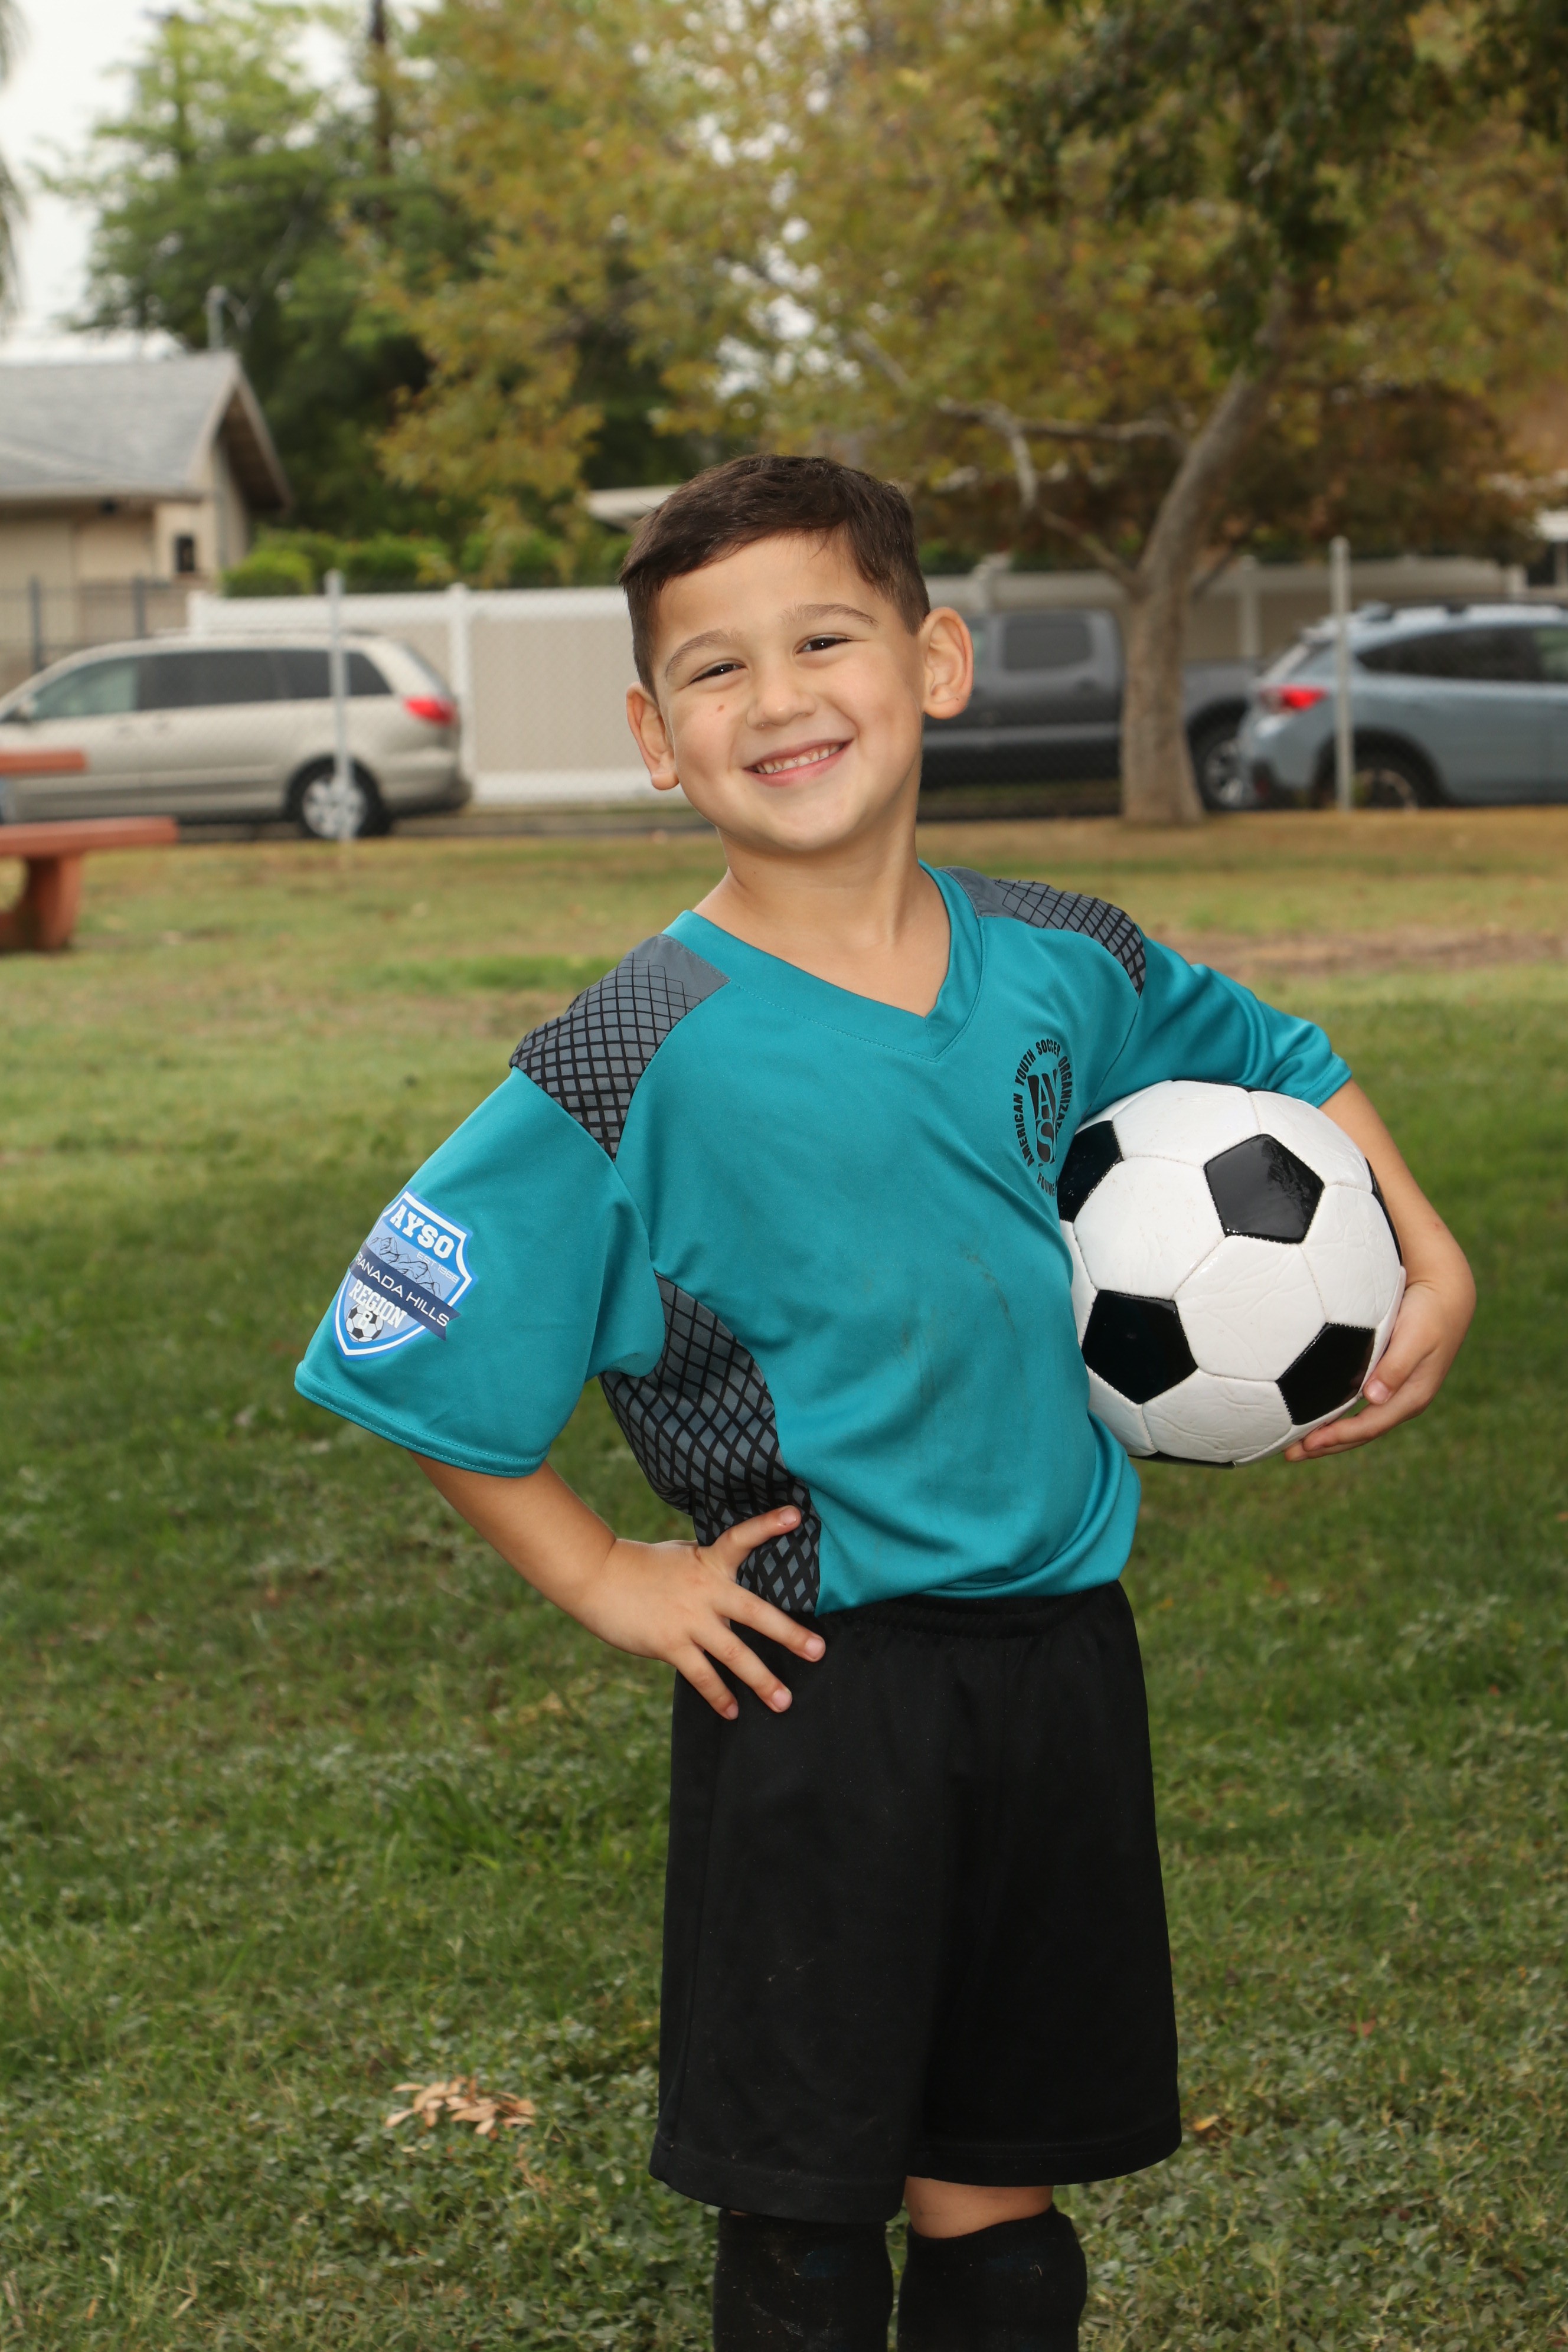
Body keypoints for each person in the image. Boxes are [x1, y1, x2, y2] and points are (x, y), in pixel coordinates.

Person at [294, 455, 1475, 2350]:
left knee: (1001, 2198)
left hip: (1063, 1661)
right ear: (655, 738)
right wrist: (607, 1576)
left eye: (825, 641)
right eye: (715, 668)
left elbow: (1266, 1047)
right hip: (816, 1692)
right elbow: (409, 1328)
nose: (778, 699)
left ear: (934, 665)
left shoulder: (1064, 962)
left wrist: (1426, 1244)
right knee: (806, 2208)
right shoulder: (630, 1052)